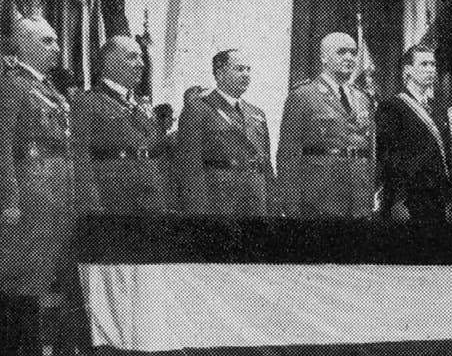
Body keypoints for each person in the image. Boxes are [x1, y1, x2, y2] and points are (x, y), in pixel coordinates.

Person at [0, 17, 76, 356]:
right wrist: (9, 199)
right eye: (48, 42)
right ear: (24, 45)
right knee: (20, 280)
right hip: (30, 191)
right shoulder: (11, 85)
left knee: (40, 278)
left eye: (57, 42)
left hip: (55, 192)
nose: (57, 49)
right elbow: (3, 146)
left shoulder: (48, 89)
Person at [276, 33, 375, 218]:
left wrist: (370, 196)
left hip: (359, 199)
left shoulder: (363, 98)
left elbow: (370, 152)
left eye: (353, 53)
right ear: (324, 57)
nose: (349, 58)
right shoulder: (303, 95)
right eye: (341, 52)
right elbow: (288, 154)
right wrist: (291, 205)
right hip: (320, 199)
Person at [73, 36, 172, 216]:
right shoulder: (88, 101)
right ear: (109, 63)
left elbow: (157, 151)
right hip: (113, 197)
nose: (141, 64)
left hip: (152, 196)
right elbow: (80, 156)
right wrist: (91, 204)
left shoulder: (141, 106)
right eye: (132, 57)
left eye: (141, 57)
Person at [178, 49, 274, 216]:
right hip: (219, 199)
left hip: (256, 199)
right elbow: (190, 165)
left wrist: (273, 203)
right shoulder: (199, 109)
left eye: (248, 69)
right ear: (220, 73)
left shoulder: (257, 114)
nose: (246, 75)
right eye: (239, 69)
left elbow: (266, 164)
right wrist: (198, 212)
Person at [375, 45, 452, 223]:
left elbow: (446, 156)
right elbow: (388, 158)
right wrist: (397, 201)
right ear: (408, 70)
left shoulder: (439, 109)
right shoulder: (392, 107)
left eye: (433, 64)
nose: (431, 69)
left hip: (437, 200)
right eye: (424, 64)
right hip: (409, 200)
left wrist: (450, 197)